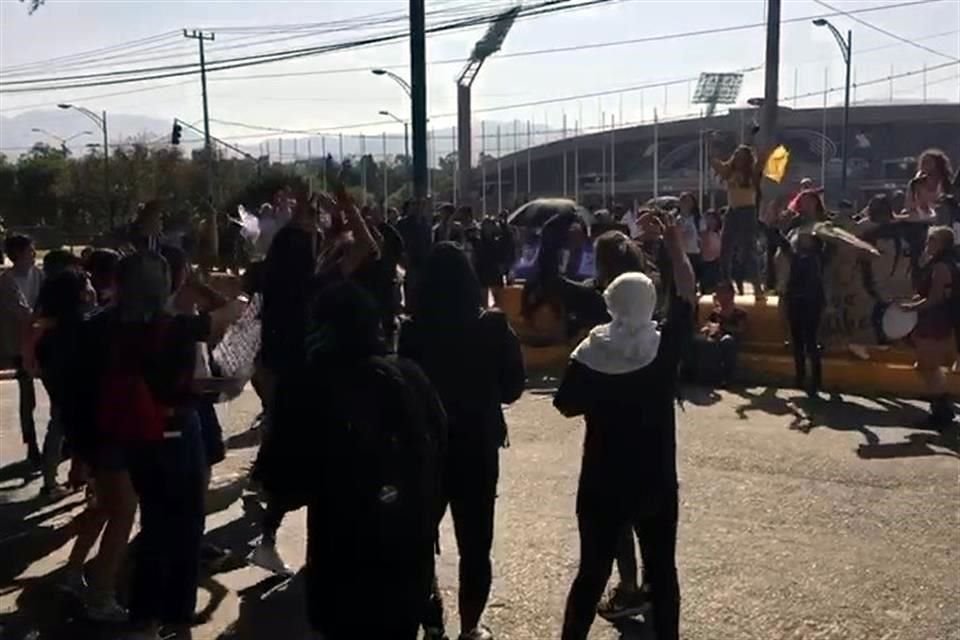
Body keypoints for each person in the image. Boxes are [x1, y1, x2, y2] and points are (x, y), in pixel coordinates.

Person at [553, 211, 695, 640]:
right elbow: (687, 294)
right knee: (663, 573)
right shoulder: (664, 346)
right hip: (655, 480)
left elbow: (565, 405)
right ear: (649, 301)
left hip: (602, 481)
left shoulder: (591, 352)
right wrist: (674, 246)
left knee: (591, 574)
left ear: (610, 300)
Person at [291, 280, 447, 640]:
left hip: (339, 560)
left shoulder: (313, 384)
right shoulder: (408, 375)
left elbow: (285, 478)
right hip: (405, 554)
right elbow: (439, 446)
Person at [399, 243, 526, 640]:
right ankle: (471, 626)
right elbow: (512, 388)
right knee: (475, 544)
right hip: (477, 442)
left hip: (426, 446)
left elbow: (404, 387)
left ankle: (430, 616)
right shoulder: (492, 325)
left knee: (418, 537)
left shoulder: (414, 330)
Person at [901, 226, 958, 428]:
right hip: (936, 321)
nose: (928, 244)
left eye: (932, 240)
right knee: (925, 367)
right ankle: (943, 409)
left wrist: (910, 308)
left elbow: (935, 299)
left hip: (935, 322)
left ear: (942, 243)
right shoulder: (944, 263)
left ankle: (940, 414)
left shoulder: (941, 266)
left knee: (928, 367)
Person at [0, 233, 42, 463]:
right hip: (20, 343)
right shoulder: (7, 281)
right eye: (29, 250)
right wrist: (43, 318)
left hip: (42, 339)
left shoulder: (39, 275)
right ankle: (31, 442)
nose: (33, 254)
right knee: (28, 395)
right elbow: (22, 312)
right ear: (17, 254)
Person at [712, 145, 765, 301]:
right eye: (737, 156)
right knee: (725, 250)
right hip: (732, 211)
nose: (739, 159)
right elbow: (715, 162)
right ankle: (726, 286)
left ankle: (757, 288)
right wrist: (711, 144)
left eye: (743, 157)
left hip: (747, 211)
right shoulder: (729, 173)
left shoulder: (752, 173)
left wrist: (755, 139)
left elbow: (762, 159)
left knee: (749, 250)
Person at [781, 228, 828, 397]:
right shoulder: (800, 256)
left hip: (810, 303)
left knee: (810, 341)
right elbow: (785, 246)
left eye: (805, 237)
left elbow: (787, 249)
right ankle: (801, 377)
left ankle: (815, 379)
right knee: (798, 342)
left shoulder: (815, 257)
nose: (801, 239)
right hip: (797, 302)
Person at [692, 280, 747, 387]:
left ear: (731, 294)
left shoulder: (740, 312)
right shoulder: (715, 312)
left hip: (731, 341)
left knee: (727, 341)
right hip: (715, 339)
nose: (721, 296)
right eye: (719, 293)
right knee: (698, 340)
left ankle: (728, 378)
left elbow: (741, 329)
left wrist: (722, 327)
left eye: (723, 293)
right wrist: (706, 328)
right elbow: (708, 325)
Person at [676, 192, 702, 286]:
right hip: (681, 253)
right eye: (683, 201)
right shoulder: (677, 219)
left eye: (688, 201)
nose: (685, 204)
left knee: (694, 278)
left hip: (695, 252)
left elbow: (702, 234)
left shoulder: (697, 218)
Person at [699, 209, 723, 294]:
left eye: (712, 219)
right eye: (708, 219)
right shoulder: (704, 234)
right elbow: (704, 245)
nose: (710, 221)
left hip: (717, 263)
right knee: (707, 288)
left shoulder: (720, 234)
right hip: (706, 264)